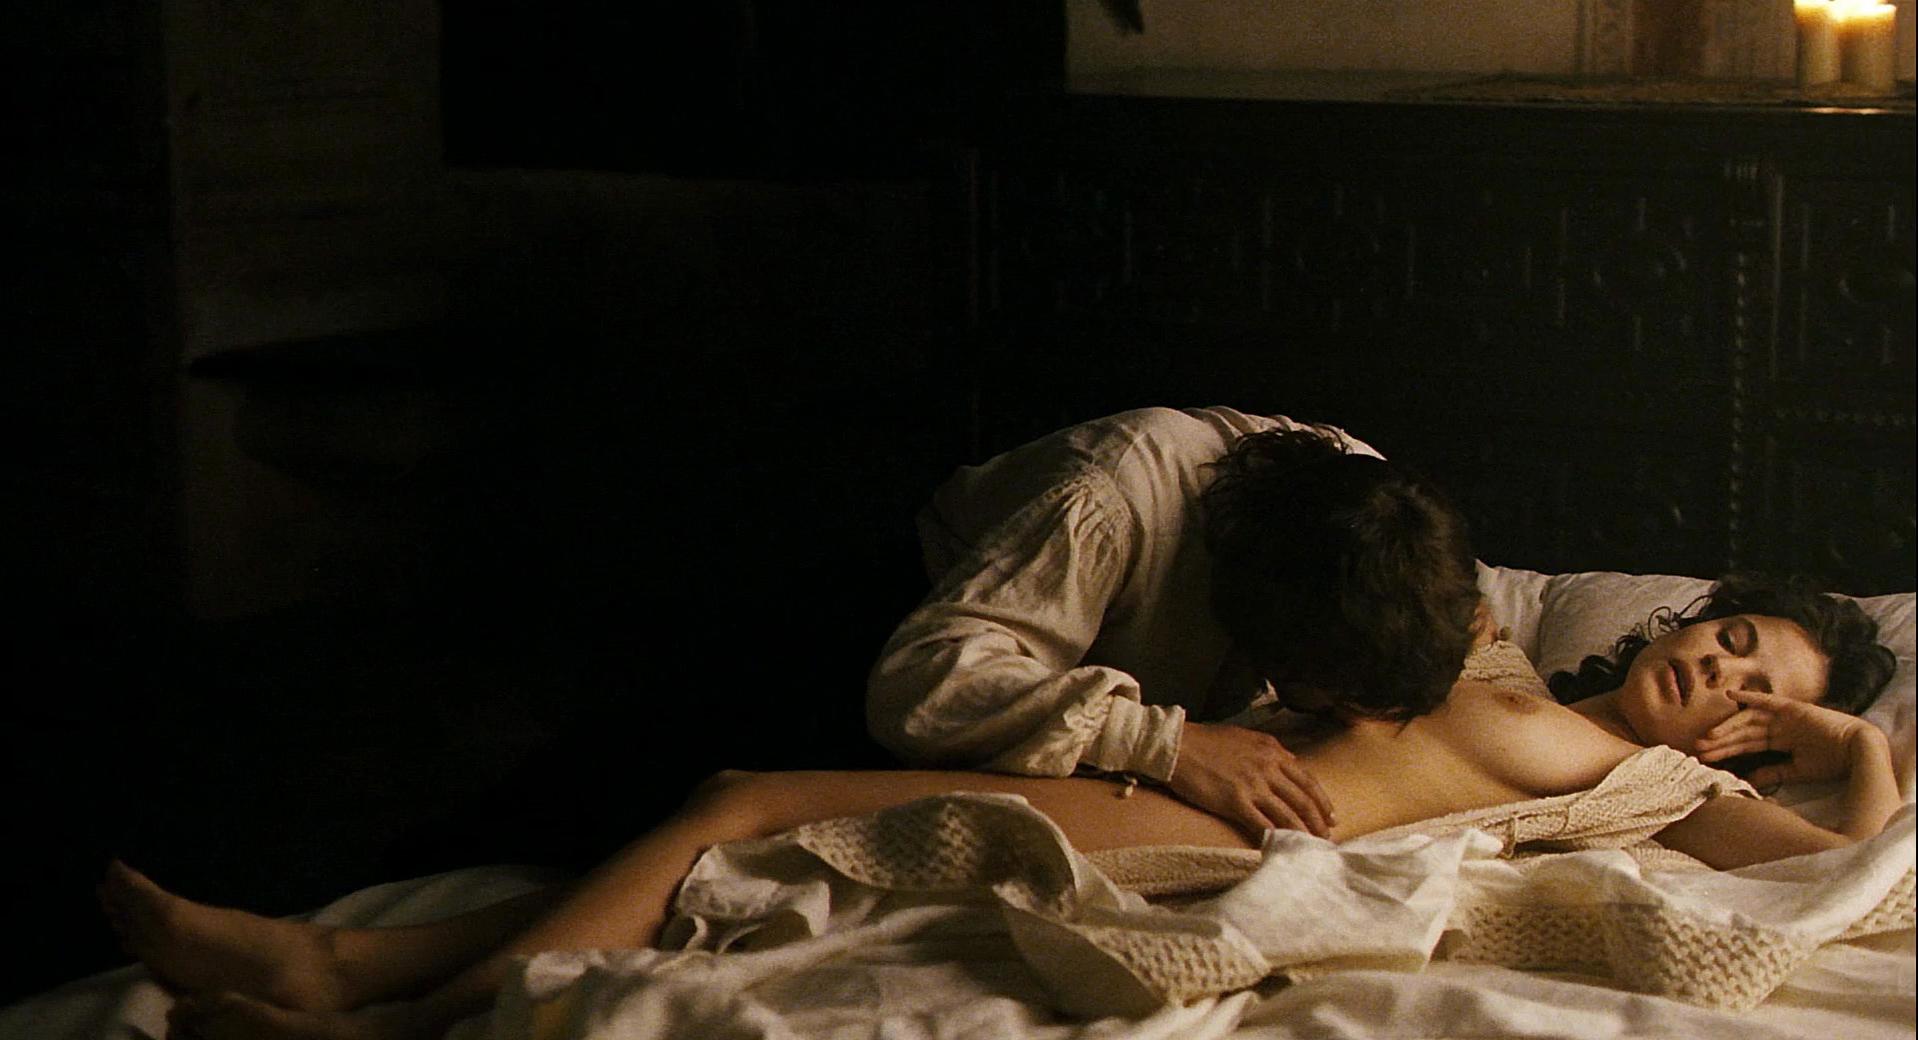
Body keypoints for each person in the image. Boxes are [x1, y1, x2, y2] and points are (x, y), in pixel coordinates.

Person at [104, 574, 1904, 1040]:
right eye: (1733, 641)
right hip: (1181, 769)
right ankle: (359, 983)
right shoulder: (1481, 631)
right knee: (761, 828)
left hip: (1256, 845)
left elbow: (1856, 872)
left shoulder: (1663, 788)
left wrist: (1846, 747)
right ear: (1678, 621)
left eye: (1763, 694)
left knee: (752, 802)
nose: (1726, 677)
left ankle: (382, 1017)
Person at [866, 406, 1483, 839]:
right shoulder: (1109, 499)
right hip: (884, 607)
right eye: (1325, 701)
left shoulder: (1385, 515)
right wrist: (1169, 744)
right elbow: (922, 684)